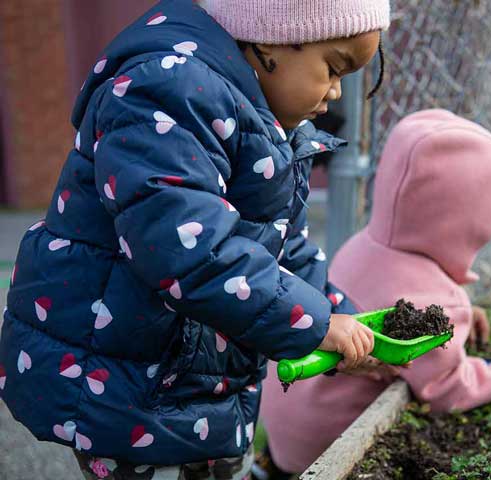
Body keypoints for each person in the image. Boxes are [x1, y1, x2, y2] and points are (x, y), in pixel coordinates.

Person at [0, 0, 389, 478]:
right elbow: (190, 250)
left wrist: (339, 316)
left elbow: (282, 251)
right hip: (130, 385)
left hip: (199, 378)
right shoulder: (165, 91)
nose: (334, 93)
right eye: (333, 68)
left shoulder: (265, 120)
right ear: (272, 34)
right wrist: (312, 321)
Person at [260, 109, 491, 475]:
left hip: (284, 425)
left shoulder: (362, 245)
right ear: (460, 227)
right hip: (327, 444)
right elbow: (447, 390)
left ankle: (269, 468)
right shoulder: (434, 301)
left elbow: (401, 284)